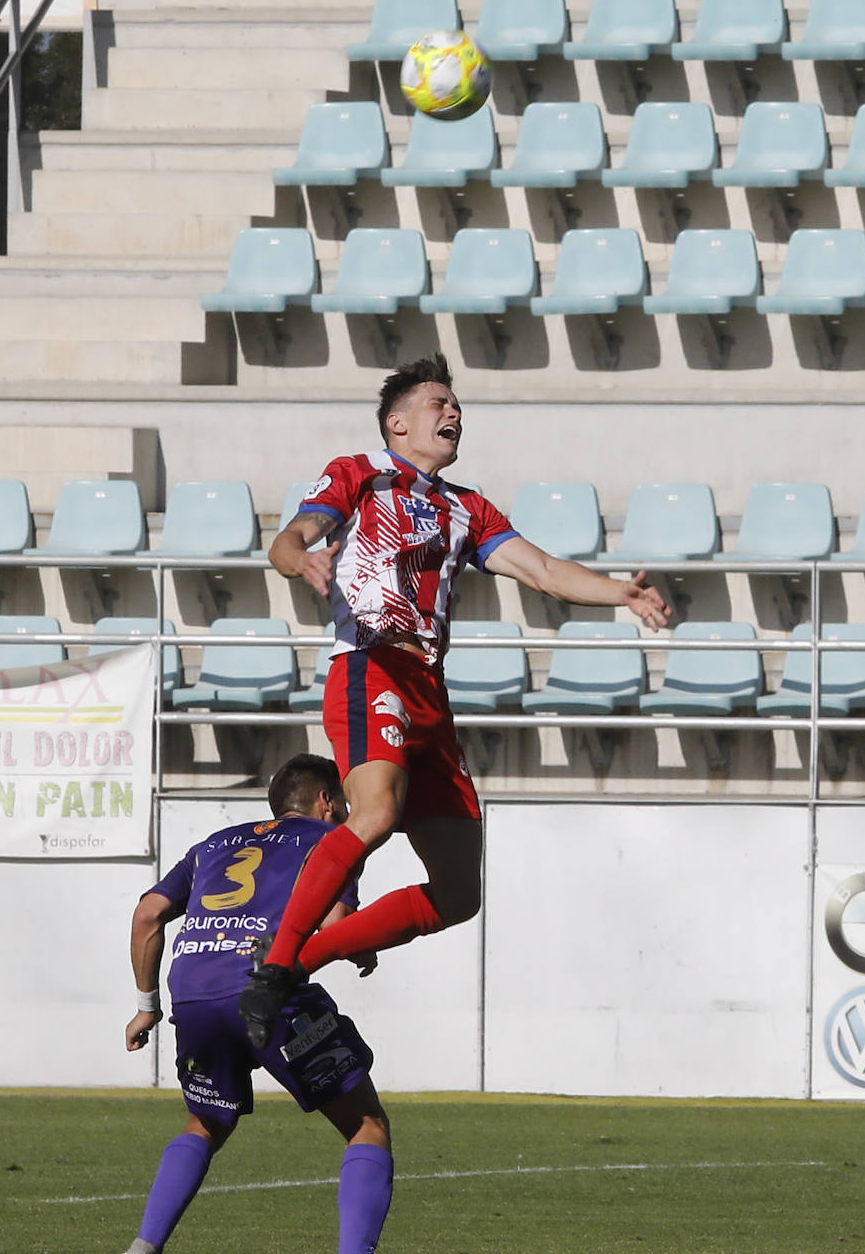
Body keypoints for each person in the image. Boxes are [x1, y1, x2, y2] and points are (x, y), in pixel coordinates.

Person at [239, 353, 671, 1051]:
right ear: (396, 423)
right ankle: (278, 959)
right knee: (375, 811)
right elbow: (291, 538)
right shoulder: (358, 474)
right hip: (370, 665)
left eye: (456, 405)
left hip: (429, 696)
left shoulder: (465, 506)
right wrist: (302, 558)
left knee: (457, 895)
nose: (452, 413)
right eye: (438, 403)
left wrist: (617, 591)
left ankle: (296, 964)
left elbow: (541, 570)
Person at [93, 752, 432, 1254]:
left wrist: (146, 1005)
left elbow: (148, 914)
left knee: (204, 1125)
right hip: (269, 987)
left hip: (196, 993)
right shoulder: (334, 839)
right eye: (342, 801)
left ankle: (137, 1253)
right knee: (366, 1123)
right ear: (327, 800)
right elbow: (337, 923)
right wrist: (362, 947)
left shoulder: (214, 843)